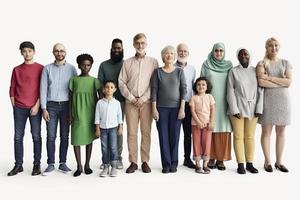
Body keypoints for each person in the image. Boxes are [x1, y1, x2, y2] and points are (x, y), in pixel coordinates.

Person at [119, 33, 159, 173]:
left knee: (146, 132)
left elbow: (155, 83)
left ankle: (145, 161)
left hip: (147, 102)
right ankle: (133, 162)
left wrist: (143, 98)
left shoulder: (153, 62)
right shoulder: (127, 62)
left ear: (146, 44)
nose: (140, 45)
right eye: (138, 43)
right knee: (131, 132)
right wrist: (131, 98)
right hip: (131, 103)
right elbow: (121, 82)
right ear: (134, 45)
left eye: (143, 43)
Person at [256, 37, 292, 173]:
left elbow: (288, 82)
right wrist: (280, 81)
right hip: (268, 101)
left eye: (276, 45)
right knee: (266, 132)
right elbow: (261, 82)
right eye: (271, 45)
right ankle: (268, 161)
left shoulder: (286, 63)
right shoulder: (262, 63)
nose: (274, 48)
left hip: (284, 101)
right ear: (266, 48)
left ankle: (279, 161)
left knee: (281, 132)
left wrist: (269, 77)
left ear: (279, 47)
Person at [40, 43, 77, 175]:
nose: (59, 53)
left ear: (65, 52)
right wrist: (44, 108)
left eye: (62, 51)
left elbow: (74, 91)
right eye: (57, 51)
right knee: (51, 136)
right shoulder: (47, 69)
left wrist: (73, 110)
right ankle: (50, 163)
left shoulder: (72, 69)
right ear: (53, 53)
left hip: (66, 105)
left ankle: (62, 163)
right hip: (51, 106)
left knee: (65, 136)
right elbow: (43, 89)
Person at [8, 41, 43, 176]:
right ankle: (18, 165)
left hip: (35, 107)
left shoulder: (41, 68)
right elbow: (12, 88)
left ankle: (36, 165)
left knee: (36, 136)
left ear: (34, 52)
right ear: (21, 53)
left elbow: (43, 89)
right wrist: (15, 105)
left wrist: (37, 105)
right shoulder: (16, 69)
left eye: (29, 51)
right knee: (18, 137)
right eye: (24, 51)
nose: (27, 53)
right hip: (19, 108)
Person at [227, 48, 263, 174]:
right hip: (237, 106)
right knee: (238, 136)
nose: (243, 56)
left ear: (249, 56)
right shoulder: (233, 71)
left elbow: (260, 90)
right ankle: (240, 164)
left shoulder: (255, 71)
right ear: (238, 56)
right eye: (241, 54)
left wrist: (259, 107)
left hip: (253, 107)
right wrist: (234, 109)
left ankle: (250, 163)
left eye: (246, 53)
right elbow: (230, 90)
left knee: (250, 136)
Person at [151, 45, 187, 173]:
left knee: (175, 137)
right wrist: (154, 109)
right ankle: (166, 164)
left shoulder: (179, 72)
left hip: (176, 109)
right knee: (163, 137)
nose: (169, 55)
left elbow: (184, 91)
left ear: (175, 56)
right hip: (161, 109)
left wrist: (182, 108)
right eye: (166, 53)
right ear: (162, 56)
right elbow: (154, 91)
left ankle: (174, 163)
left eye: (172, 53)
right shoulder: (157, 72)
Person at [200, 42, 233, 170]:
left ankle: (221, 159)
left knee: (224, 128)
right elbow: (201, 83)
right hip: (209, 102)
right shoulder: (206, 64)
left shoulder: (229, 66)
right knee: (211, 128)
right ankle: (211, 157)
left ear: (224, 52)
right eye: (216, 51)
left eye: (221, 51)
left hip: (225, 102)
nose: (219, 53)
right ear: (212, 51)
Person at [69, 54, 100, 177]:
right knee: (76, 140)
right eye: (83, 65)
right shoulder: (74, 80)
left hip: (90, 114)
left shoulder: (94, 81)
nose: (85, 67)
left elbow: (100, 99)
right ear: (79, 66)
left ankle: (87, 165)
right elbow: (70, 98)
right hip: (77, 113)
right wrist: (69, 114)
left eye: (88, 65)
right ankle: (79, 166)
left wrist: (99, 117)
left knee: (88, 139)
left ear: (91, 66)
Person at [98, 38, 125, 169]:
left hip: (122, 103)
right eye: (114, 48)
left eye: (119, 48)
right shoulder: (104, 65)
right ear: (111, 49)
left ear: (122, 49)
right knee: (105, 131)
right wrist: (101, 102)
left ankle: (118, 158)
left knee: (118, 132)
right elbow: (99, 85)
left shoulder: (125, 64)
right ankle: (106, 160)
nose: (116, 50)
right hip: (105, 103)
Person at [174, 43, 196, 169]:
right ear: (177, 52)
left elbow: (193, 87)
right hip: (174, 105)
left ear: (188, 53)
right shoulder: (171, 67)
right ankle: (173, 159)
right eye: (180, 51)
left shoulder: (192, 69)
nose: (182, 53)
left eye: (185, 51)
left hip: (188, 105)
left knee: (188, 134)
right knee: (175, 133)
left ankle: (187, 159)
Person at [95, 80, 123, 177]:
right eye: (107, 87)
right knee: (104, 147)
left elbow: (120, 116)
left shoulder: (117, 103)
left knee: (113, 147)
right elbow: (97, 117)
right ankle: (106, 166)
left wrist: (120, 127)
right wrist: (97, 128)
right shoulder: (99, 103)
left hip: (113, 129)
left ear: (115, 89)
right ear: (103, 89)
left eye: (111, 87)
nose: (109, 89)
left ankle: (114, 167)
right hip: (103, 129)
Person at [190, 77, 215, 174]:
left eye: (203, 84)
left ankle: (205, 164)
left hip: (208, 125)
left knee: (206, 143)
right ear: (195, 87)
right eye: (198, 84)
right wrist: (198, 122)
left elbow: (213, 110)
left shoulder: (210, 97)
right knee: (196, 143)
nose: (201, 86)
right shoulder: (194, 98)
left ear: (207, 86)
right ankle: (197, 164)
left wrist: (212, 122)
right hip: (196, 124)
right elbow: (192, 111)